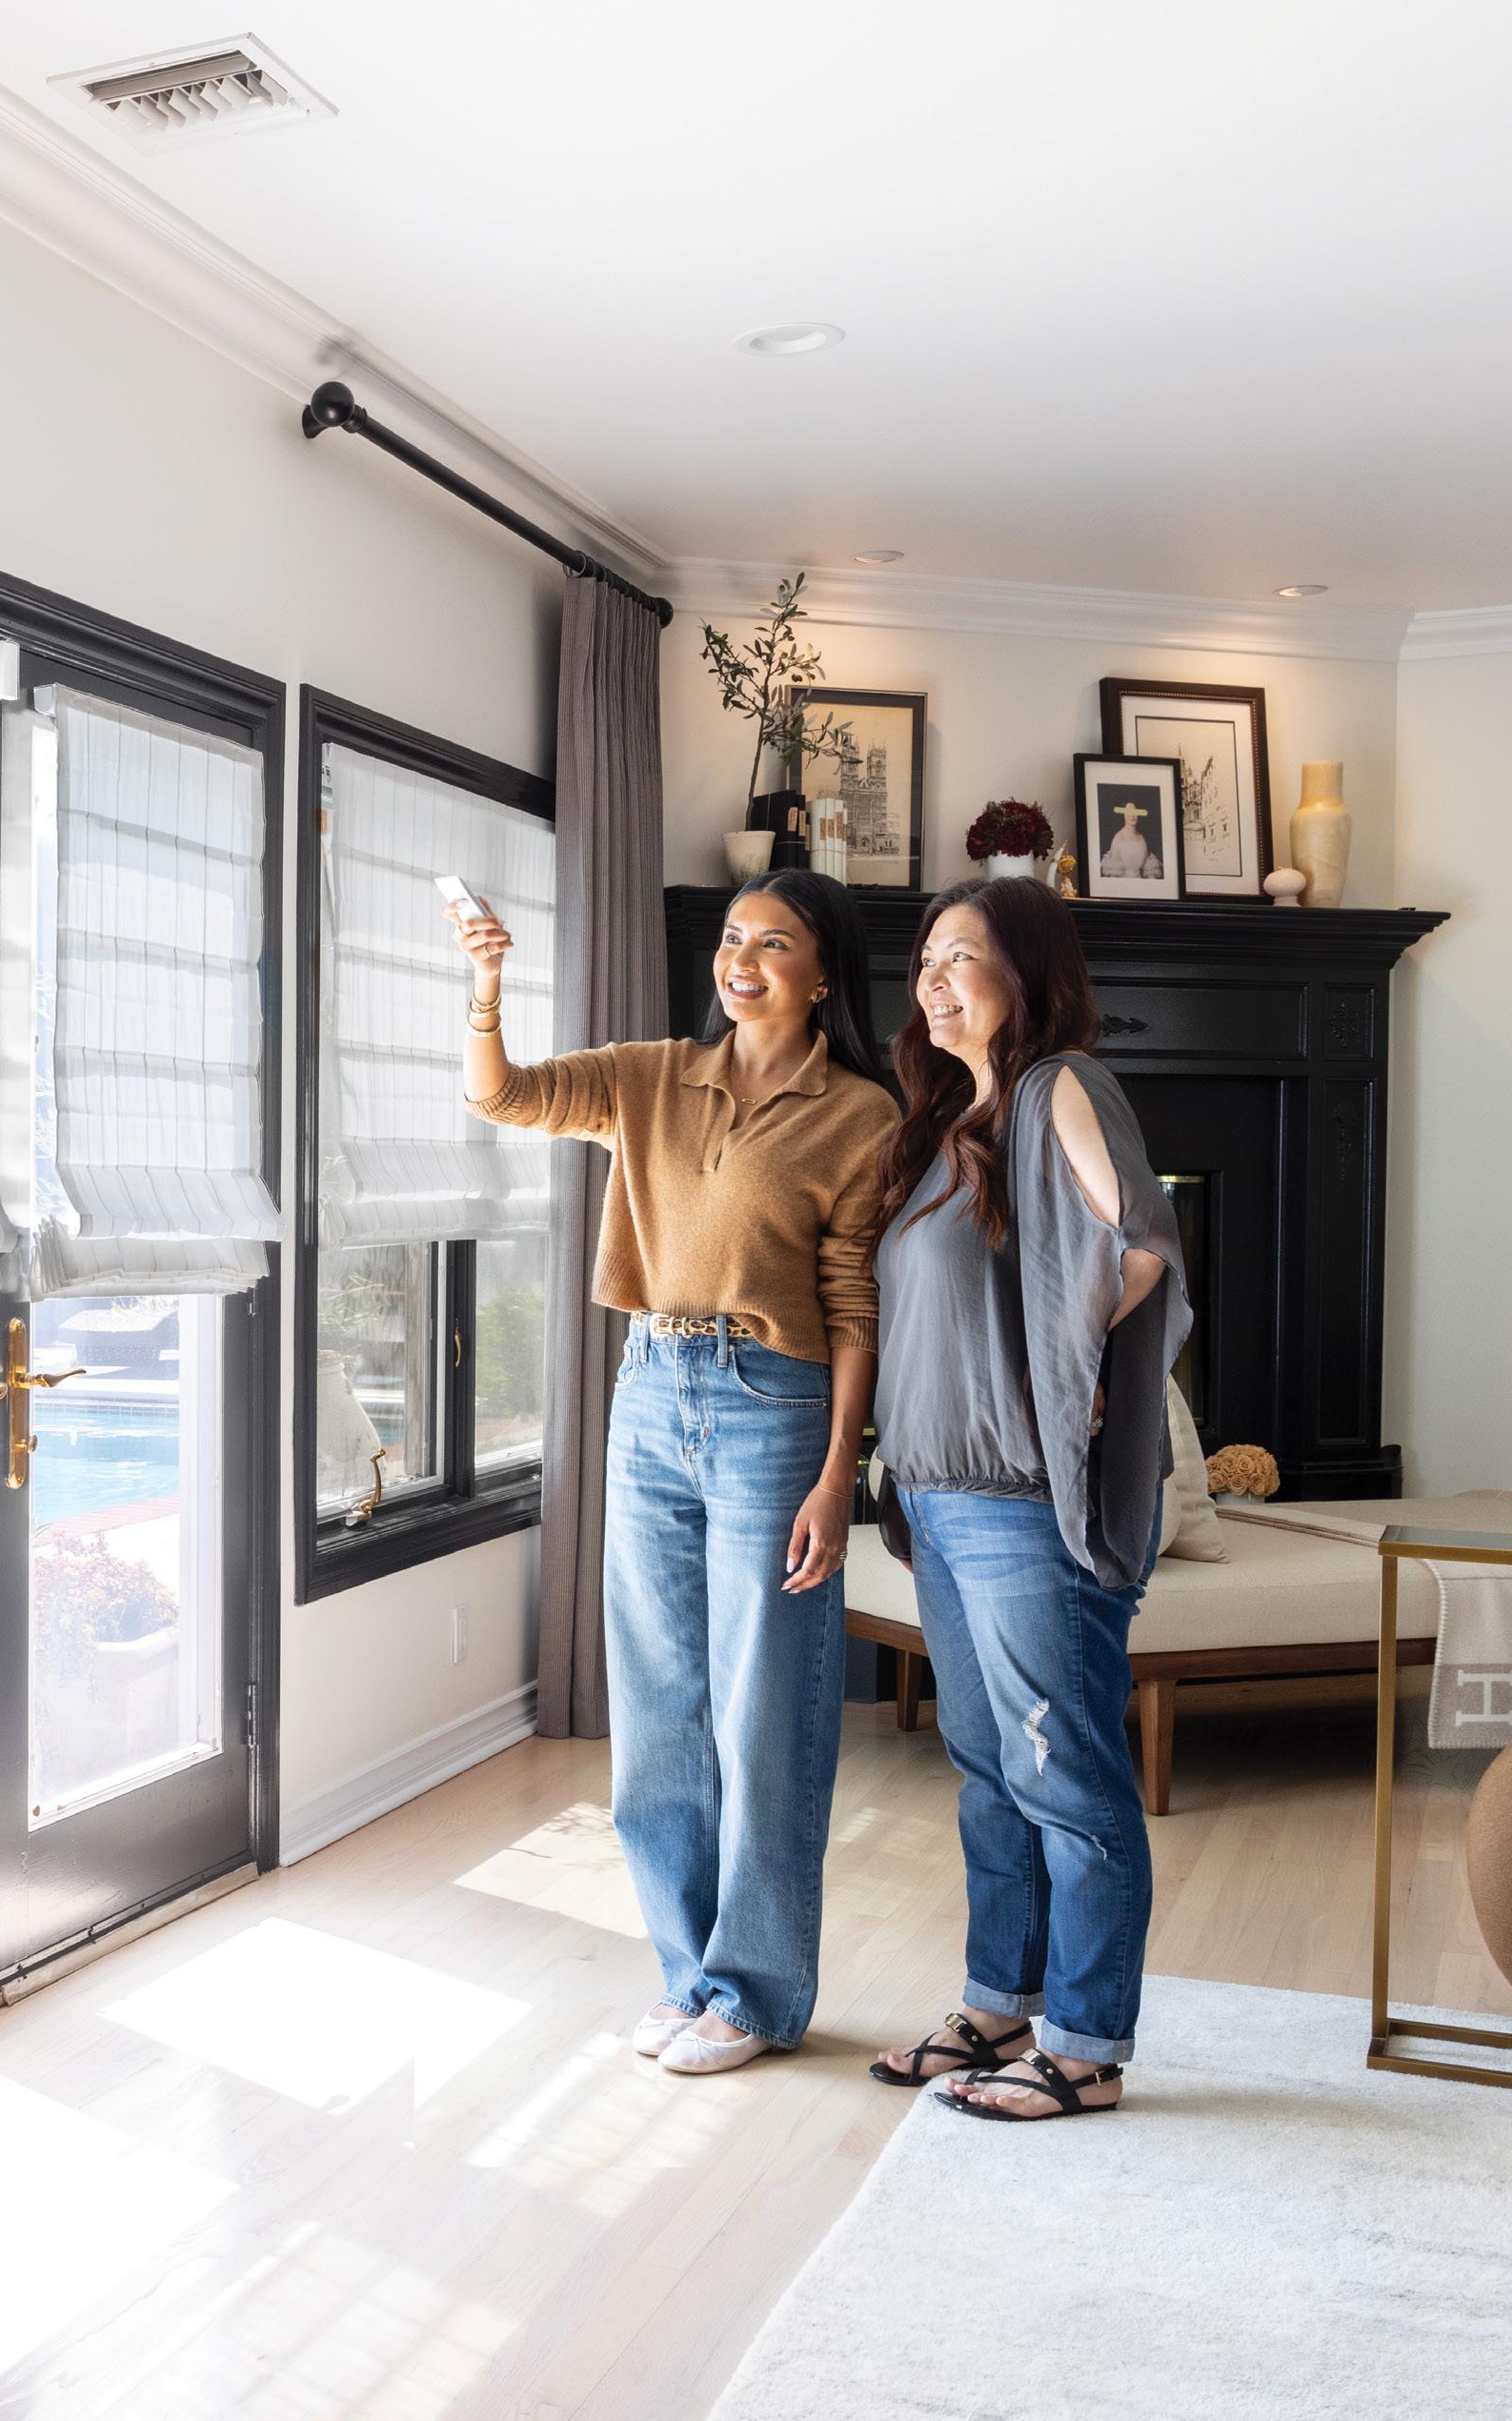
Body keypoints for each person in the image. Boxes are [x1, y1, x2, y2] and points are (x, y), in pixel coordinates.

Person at [454, 870, 897, 2074]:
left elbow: (855, 1304)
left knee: (764, 1706)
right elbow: (501, 1093)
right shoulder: (651, 1075)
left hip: (775, 1403)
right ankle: (688, 1973)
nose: (741, 959)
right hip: (650, 1386)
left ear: (824, 973)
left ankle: (757, 1993)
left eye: (775, 942)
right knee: (656, 1705)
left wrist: (838, 1474)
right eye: (733, 936)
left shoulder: (859, 1114)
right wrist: (488, 984)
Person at [866, 878, 1191, 2122]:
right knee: (990, 1770)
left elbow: (1142, 1241)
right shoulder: (947, 1124)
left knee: (1066, 1773)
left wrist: (1066, 1359)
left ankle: (1087, 2046)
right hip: (936, 1497)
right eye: (926, 959)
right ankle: (1001, 2001)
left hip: (1017, 1499)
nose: (934, 979)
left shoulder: (1060, 1085)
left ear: (1029, 972)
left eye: (963, 955)